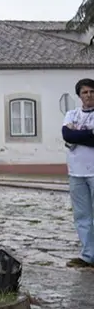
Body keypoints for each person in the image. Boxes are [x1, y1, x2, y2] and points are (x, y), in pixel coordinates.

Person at [62, 78, 94, 268]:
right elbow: (67, 135)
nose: (89, 95)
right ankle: (88, 254)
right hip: (76, 171)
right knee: (82, 215)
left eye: (92, 92)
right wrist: (87, 135)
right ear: (79, 95)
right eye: (85, 92)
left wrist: (78, 135)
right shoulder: (71, 114)